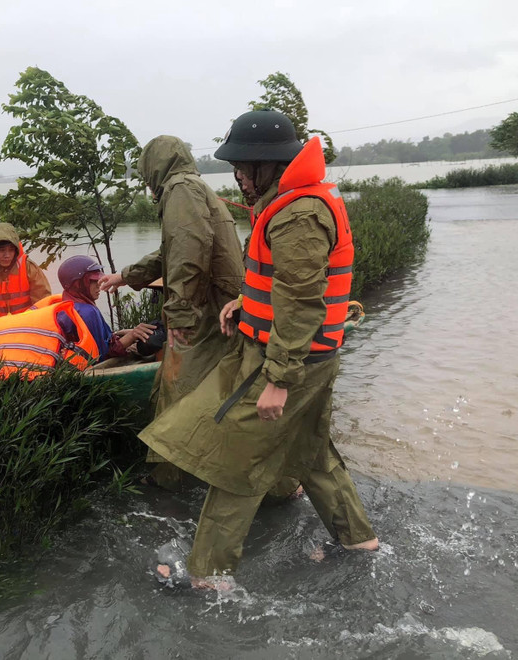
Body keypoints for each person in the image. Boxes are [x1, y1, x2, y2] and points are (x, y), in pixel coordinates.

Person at [142, 110, 378, 589]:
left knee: (236, 457)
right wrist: (245, 303)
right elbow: (289, 285)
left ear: (268, 165)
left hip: (288, 360)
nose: (238, 178)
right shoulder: (295, 202)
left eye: (243, 169)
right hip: (309, 357)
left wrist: (277, 380)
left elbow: (302, 301)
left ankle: (207, 575)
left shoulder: (298, 215)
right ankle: (359, 541)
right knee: (311, 453)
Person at [99, 136, 244, 491]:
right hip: (224, 308)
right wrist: (126, 276)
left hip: (209, 311)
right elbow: (173, 252)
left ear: (154, 166)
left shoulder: (179, 189)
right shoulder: (193, 187)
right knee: (226, 388)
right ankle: (231, 471)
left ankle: (169, 478)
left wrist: (178, 313)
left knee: (177, 389)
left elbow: (188, 253)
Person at [0, 255, 155, 385]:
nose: (99, 285)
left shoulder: (65, 302)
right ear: (78, 284)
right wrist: (132, 336)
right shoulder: (86, 311)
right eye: (92, 281)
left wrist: (123, 334)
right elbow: (103, 356)